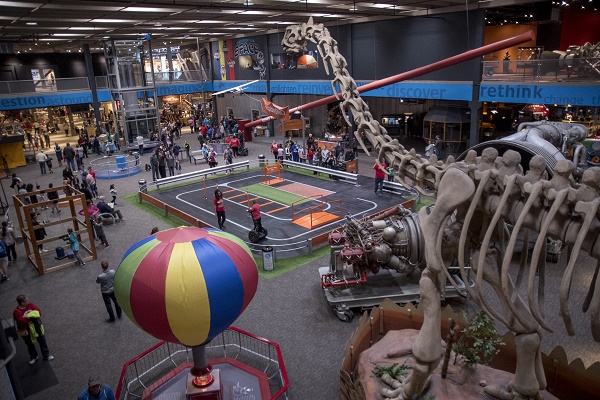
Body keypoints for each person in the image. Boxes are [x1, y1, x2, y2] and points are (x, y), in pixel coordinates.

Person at [13, 295, 54, 364]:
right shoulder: (16, 312)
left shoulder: (31, 305)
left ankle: (46, 355)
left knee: (42, 341)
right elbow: (21, 320)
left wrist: (28, 317)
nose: (28, 301)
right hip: (26, 331)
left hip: (36, 328)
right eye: (26, 300)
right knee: (29, 344)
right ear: (22, 303)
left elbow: (38, 313)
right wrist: (31, 316)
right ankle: (34, 356)